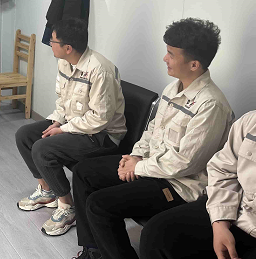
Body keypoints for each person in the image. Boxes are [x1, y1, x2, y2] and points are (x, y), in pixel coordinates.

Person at [71, 18, 234, 259]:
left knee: (99, 204)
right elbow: (151, 130)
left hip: (178, 186)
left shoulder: (211, 105)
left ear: (194, 64)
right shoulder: (172, 89)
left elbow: (185, 163)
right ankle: (93, 250)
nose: (165, 58)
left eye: (171, 54)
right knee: (83, 172)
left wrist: (138, 167)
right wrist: (136, 156)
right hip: (150, 166)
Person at [141, 43, 256, 259]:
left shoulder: (211, 102)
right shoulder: (253, 123)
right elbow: (222, 170)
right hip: (237, 217)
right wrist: (220, 222)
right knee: (158, 233)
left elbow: (186, 161)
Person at [15, 18, 127, 236]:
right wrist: (57, 121)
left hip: (102, 135)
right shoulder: (64, 62)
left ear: (68, 47)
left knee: (42, 148)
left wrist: (63, 129)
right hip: (75, 124)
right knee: (25, 135)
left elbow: (99, 119)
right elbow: (63, 101)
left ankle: (67, 207)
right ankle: (47, 190)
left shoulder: (100, 70)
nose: (50, 44)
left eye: (53, 41)